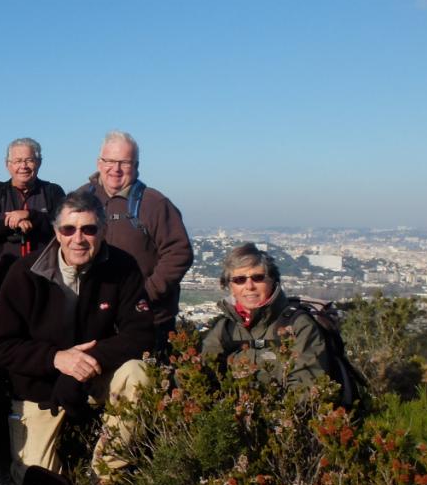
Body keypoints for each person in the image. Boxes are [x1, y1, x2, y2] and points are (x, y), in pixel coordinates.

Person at [0, 191, 155, 485]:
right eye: (69, 230)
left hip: (95, 376)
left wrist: (84, 365)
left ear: (102, 231)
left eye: (89, 229)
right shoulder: (25, 273)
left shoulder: (122, 267)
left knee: (139, 374)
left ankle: (107, 474)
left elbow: (142, 332)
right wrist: (56, 359)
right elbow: (0, 345)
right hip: (40, 387)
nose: (79, 238)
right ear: (56, 231)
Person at [82, 130, 193, 351]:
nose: (116, 169)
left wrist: (145, 294)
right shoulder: (81, 198)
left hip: (148, 319)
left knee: (147, 381)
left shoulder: (155, 203)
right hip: (95, 318)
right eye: (110, 161)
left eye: (125, 162)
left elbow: (179, 253)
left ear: (136, 166)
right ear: (99, 163)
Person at [200, 243, 334, 389]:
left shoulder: (298, 325)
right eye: (239, 280)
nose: (249, 286)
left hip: (287, 411)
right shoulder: (225, 329)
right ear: (230, 287)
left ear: (273, 281)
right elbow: (200, 379)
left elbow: (306, 389)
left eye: (258, 278)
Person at [0, 137, 65, 295]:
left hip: (47, 275)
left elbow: (64, 226)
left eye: (29, 160)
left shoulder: (53, 192)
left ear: (39, 162)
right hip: (4, 275)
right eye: (17, 161)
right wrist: (10, 223)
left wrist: (31, 216)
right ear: (8, 165)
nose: (23, 166)